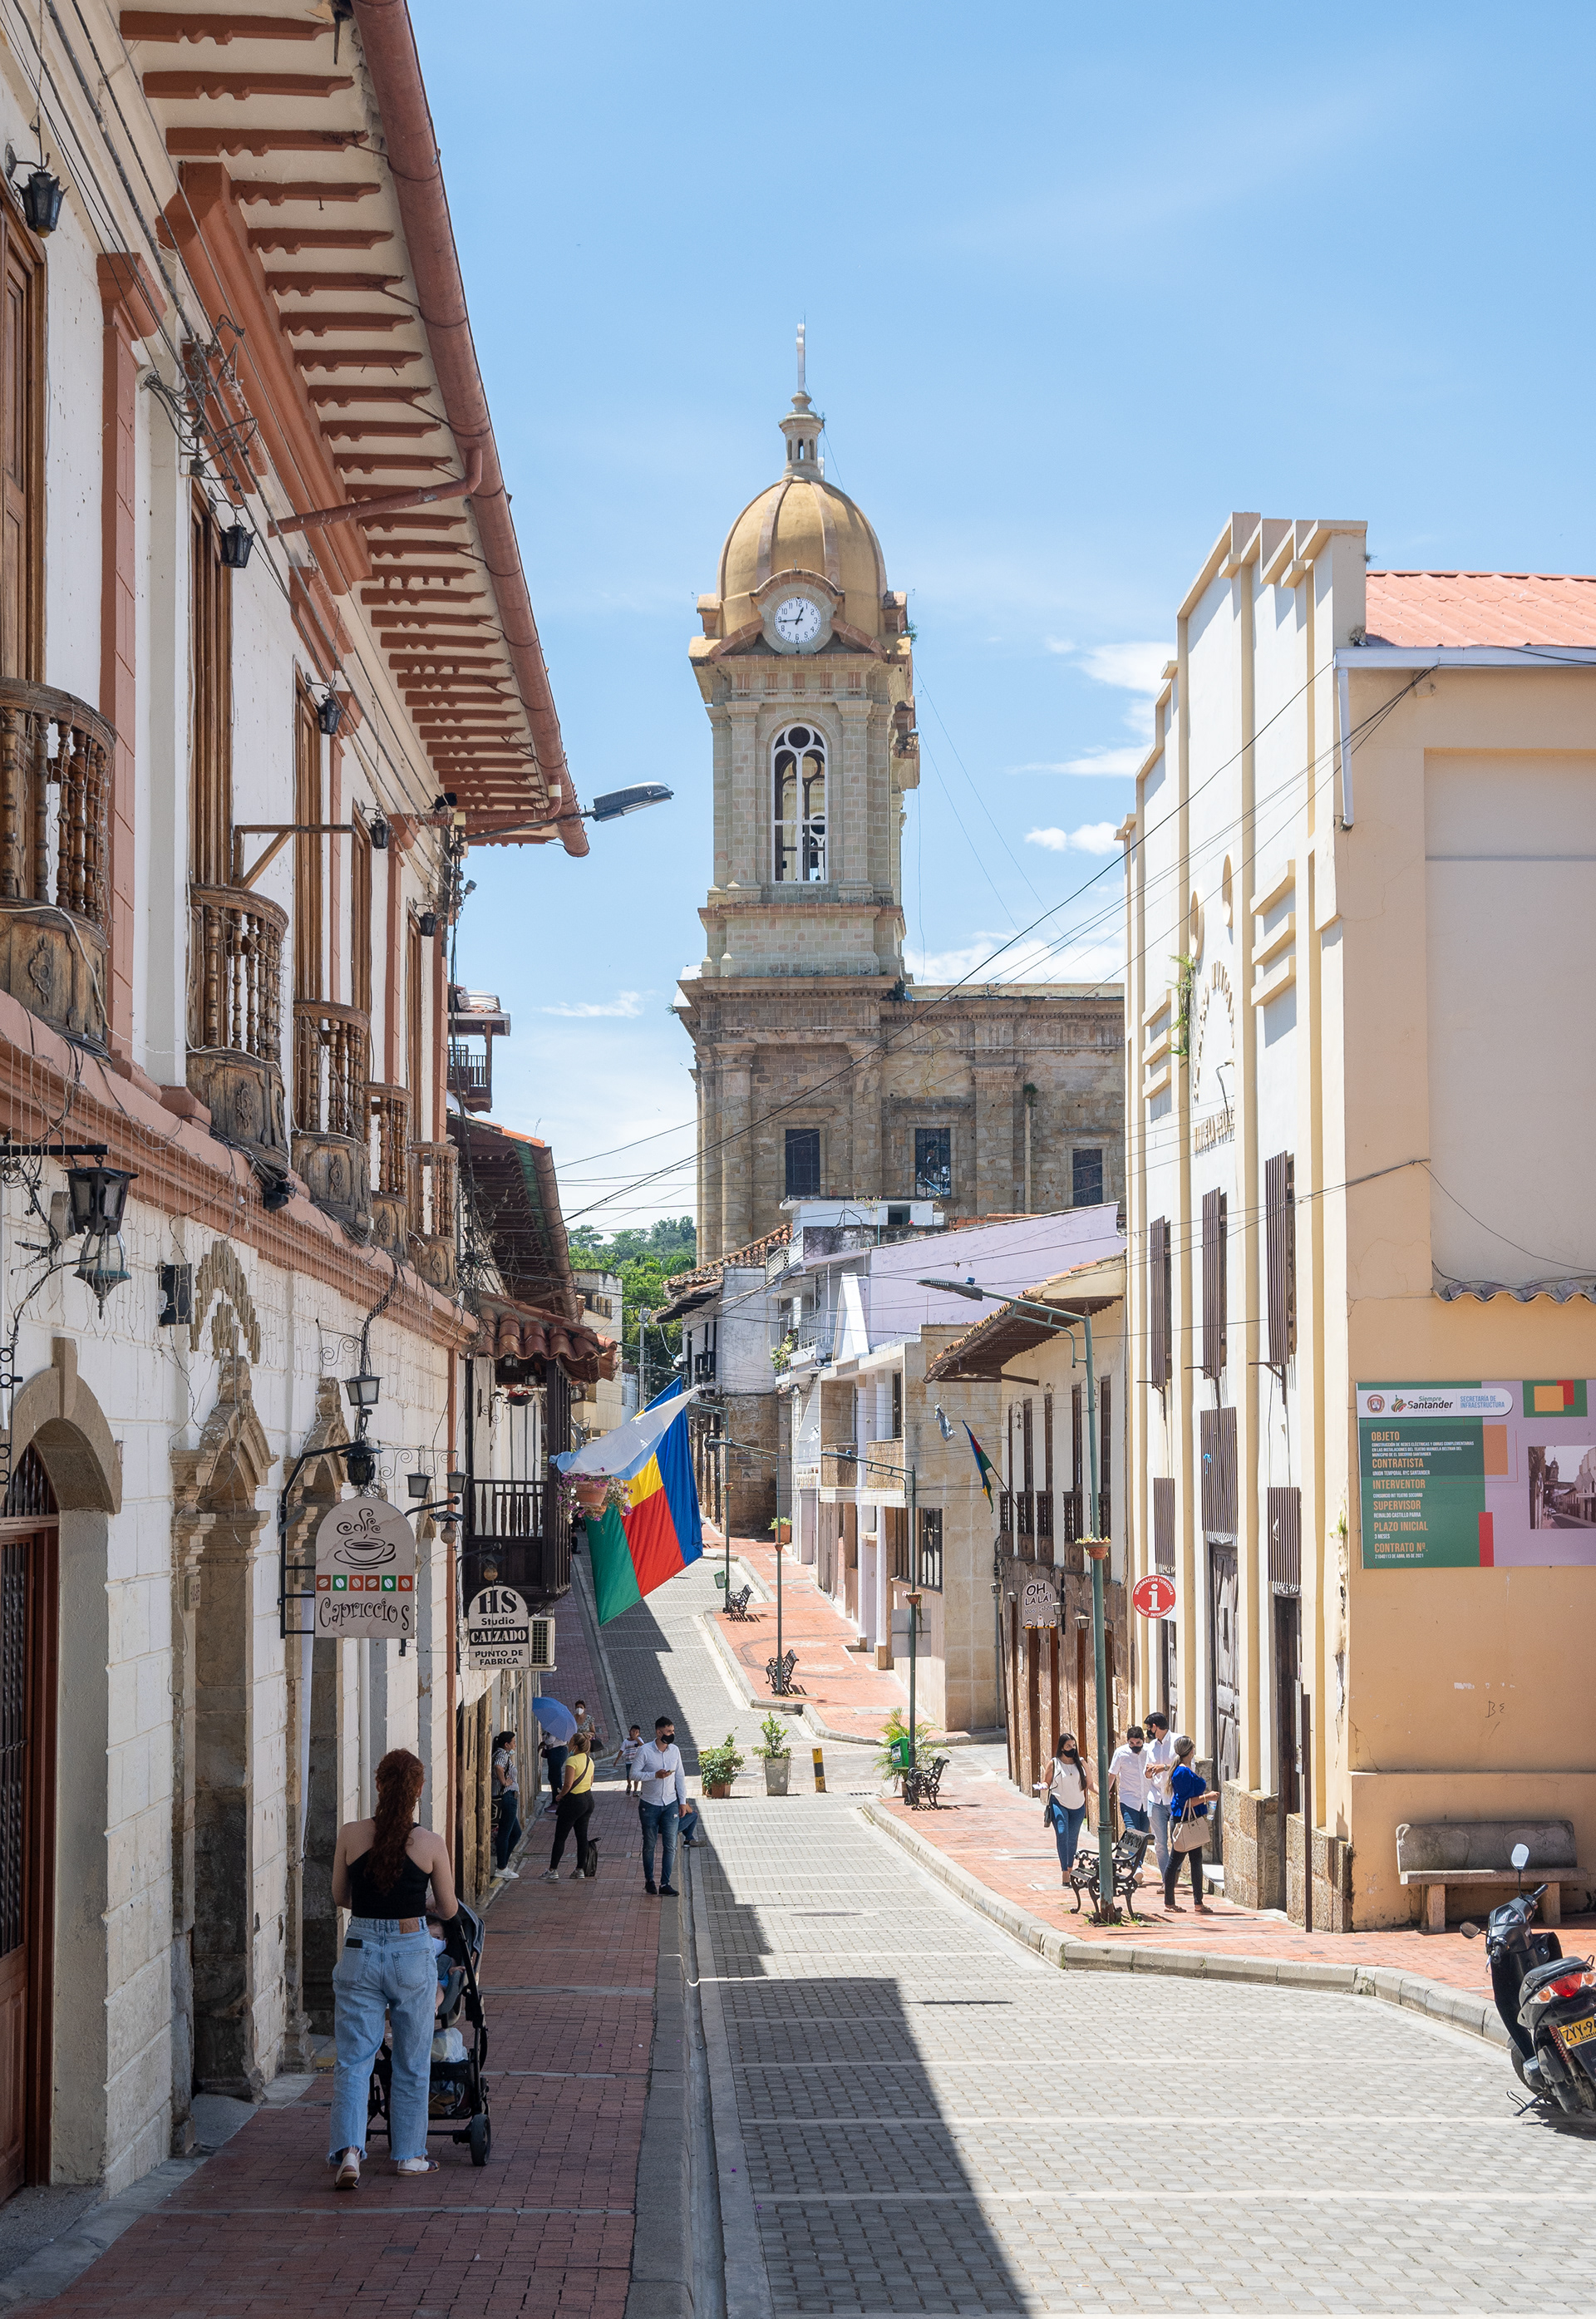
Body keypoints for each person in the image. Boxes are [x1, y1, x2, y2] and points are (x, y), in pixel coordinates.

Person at [327, 1747, 460, 2189]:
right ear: (419, 1790)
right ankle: (409, 2155)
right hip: (411, 1952)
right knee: (411, 2059)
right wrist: (418, 1904)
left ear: (379, 1785)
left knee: (354, 2059)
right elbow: (448, 1908)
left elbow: (340, 1896)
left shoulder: (351, 1834)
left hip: (360, 1948)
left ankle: (349, 2151)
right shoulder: (430, 1843)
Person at [1163, 1733, 1219, 1913]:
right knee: (1175, 1860)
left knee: (1196, 1861)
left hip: (1190, 1819)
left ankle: (1198, 1902)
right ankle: (1169, 1902)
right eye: (1193, 1748)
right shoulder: (1182, 1772)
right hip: (1184, 1821)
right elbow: (1186, 1801)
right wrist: (1207, 1797)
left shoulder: (1185, 1769)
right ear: (1190, 1750)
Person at [637, 1713, 686, 1896]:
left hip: (670, 1802)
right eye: (668, 1731)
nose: (671, 1734)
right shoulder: (645, 1751)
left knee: (670, 1845)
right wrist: (654, 1775)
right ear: (659, 1733)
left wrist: (682, 1801)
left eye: (673, 1731)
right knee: (649, 1844)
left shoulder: (675, 1751)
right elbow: (634, 1774)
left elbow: (680, 1776)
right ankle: (649, 1880)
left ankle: (665, 1883)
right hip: (649, 1804)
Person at [540, 1728, 596, 1882]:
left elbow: (568, 1784)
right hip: (588, 1800)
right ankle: (580, 1870)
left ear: (576, 1746)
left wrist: (560, 1795)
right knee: (582, 1836)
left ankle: (553, 1870)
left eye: (571, 1743)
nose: (569, 1745)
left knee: (560, 1837)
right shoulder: (589, 1761)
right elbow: (591, 1782)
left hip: (573, 1801)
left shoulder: (572, 1761)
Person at [1037, 1731, 1091, 1885]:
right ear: (1062, 1748)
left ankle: (1069, 1867)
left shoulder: (1081, 1763)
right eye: (1068, 1746)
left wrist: (1102, 1793)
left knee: (1072, 1838)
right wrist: (1043, 1786)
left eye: (1073, 1745)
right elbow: (1047, 1782)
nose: (1072, 1748)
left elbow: (1090, 1783)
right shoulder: (1054, 1763)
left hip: (1078, 1806)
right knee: (1062, 1833)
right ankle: (1064, 1872)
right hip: (1059, 1803)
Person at [1143, 1711, 1175, 1878]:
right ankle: (1166, 1879)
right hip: (1155, 1799)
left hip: (1174, 1799)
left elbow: (1189, 1766)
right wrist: (1148, 1773)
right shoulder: (1151, 1746)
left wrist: (1165, 1767)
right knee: (1160, 1843)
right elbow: (1147, 1771)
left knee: (1178, 1842)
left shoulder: (1178, 1742)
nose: (1148, 1731)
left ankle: (1174, 1872)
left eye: (1149, 1728)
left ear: (1155, 1727)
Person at [1106, 1725, 1150, 1836]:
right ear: (1127, 1741)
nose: (1135, 1746)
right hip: (1129, 1800)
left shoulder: (1150, 1751)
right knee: (1132, 1834)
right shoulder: (1121, 1753)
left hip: (1147, 1800)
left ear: (1144, 1740)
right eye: (1132, 1743)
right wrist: (1106, 1792)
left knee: (1143, 1835)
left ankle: (1139, 1849)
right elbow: (1112, 1774)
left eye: (1138, 1743)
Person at [490, 1731, 521, 1879]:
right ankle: (501, 1867)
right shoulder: (502, 1754)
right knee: (505, 1833)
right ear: (506, 1744)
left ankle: (503, 1863)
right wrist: (504, 1782)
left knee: (516, 1833)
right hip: (507, 1797)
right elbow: (498, 1767)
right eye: (513, 1742)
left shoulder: (504, 1754)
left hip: (509, 1797)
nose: (515, 1745)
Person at [614, 1723, 646, 1796]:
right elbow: (621, 1751)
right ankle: (629, 1784)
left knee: (636, 1776)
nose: (634, 1733)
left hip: (637, 1762)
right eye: (633, 1731)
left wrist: (636, 1738)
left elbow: (643, 1746)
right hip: (628, 1762)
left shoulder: (639, 1740)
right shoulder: (626, 1742)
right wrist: (616, 1760)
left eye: (636, 1732)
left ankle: (635, 1791)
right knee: (629, 1776)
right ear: (630, 1731)